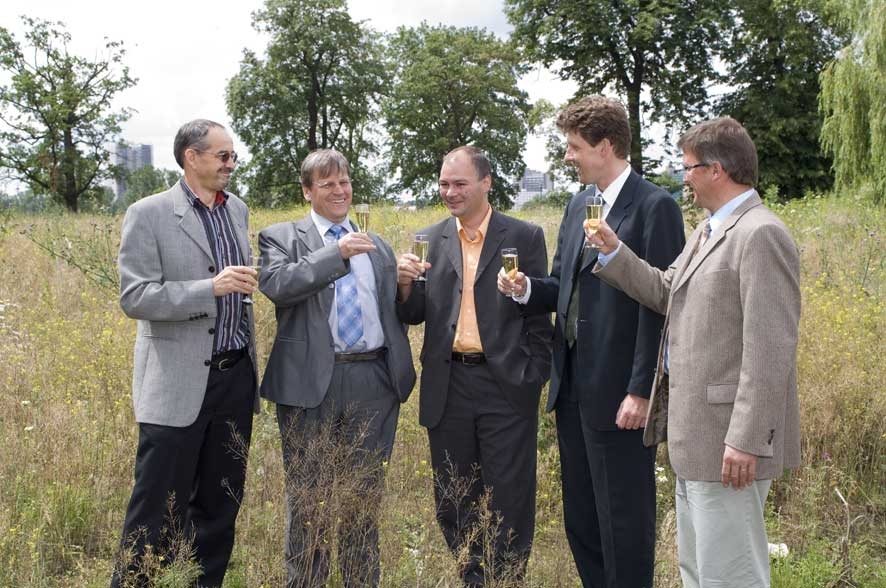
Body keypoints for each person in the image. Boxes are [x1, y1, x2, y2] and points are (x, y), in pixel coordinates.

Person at [590, 117, 801, 588]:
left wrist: (746, 438)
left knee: (730, 575)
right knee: (700, 571)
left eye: (688, 168)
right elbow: (667, 291)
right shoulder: (709, 231)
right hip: (696, 439)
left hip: (729, 443)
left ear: (717, 169)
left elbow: (770, 349)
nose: (683, 178)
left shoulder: (760, 234)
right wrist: (615, 251)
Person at [498, 95, 685, 587]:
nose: (567, 156)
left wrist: (642, 389)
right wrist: (525, 291)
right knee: (582, 520)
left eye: (574, 147)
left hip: (622, 392)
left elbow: (661, 304)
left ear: (605, 146)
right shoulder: (579, 204)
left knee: (624, 521)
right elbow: (562, 285)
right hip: (573, 388)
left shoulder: (656, 207)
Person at [396, 146, 553, 586]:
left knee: (509, 496)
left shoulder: (524, 236)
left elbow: (540, 312)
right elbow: (413, 315)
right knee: (453, 495)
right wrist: (404, 284)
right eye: (444, 184)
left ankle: (507, 579)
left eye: (460, 183)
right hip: (448, 386)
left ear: (486, 183)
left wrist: (533, 372)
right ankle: (471, 577)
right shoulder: (429, 236)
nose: (450, 192)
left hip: (505, 384)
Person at [258, 149, 416, 588]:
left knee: (363, 499)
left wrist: (404, 283)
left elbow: (392, 311)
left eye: (344, 181)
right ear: (307, 191)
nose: (340, 190)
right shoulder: (280, 237)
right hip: (310, 386)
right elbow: (279, 286)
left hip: (372, 382)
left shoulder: (376, 243)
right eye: (327, 184)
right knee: (309, 499)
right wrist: (336, 253)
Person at [113, 119, 260, 588]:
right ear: (190, 157)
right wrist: (208, 290)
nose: (230, 164)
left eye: (233, 156)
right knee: (155, 511)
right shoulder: (148, 213)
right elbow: (135, 297)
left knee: (220, 507)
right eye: (222, 155)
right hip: (177, 383)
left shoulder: (237, 209)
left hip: (235, 379)